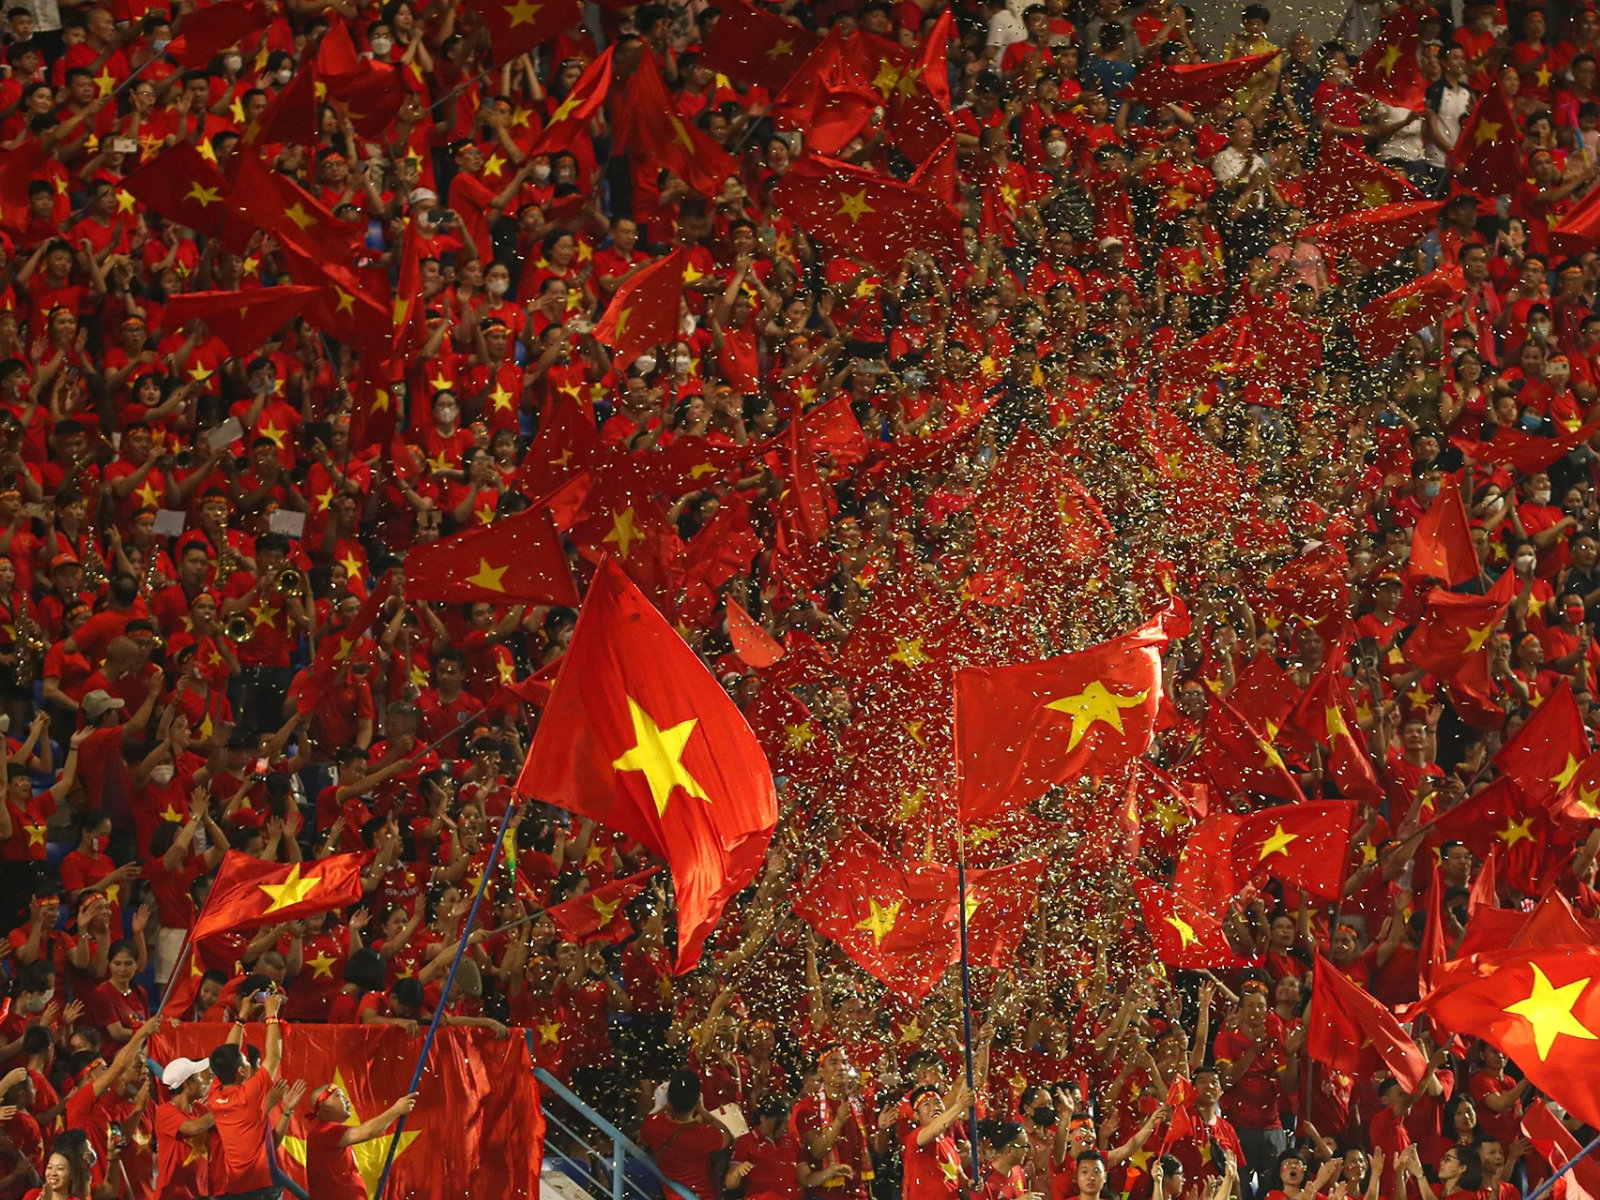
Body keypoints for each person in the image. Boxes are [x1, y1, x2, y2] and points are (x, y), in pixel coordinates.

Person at [206, 991, 287, 1200]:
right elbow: (275, 1056)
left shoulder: (215, 1095)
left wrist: (241, 1017)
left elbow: (229, 1051)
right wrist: (271, 1015)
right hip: (263, 1188)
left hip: (236, 1190)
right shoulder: (248, 1095)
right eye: (245, 1062)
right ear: (241, 1071)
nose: (249, 1064)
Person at [638, 1070, 737, 1200]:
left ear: (670, 1097)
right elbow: (728, 1138)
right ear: (697, 1099)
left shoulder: (653, 1124)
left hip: (671, 1195)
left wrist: (667, 1106)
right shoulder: (704, 1134)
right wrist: (703, 1111)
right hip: (702, 1195)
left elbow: (642, 1140)